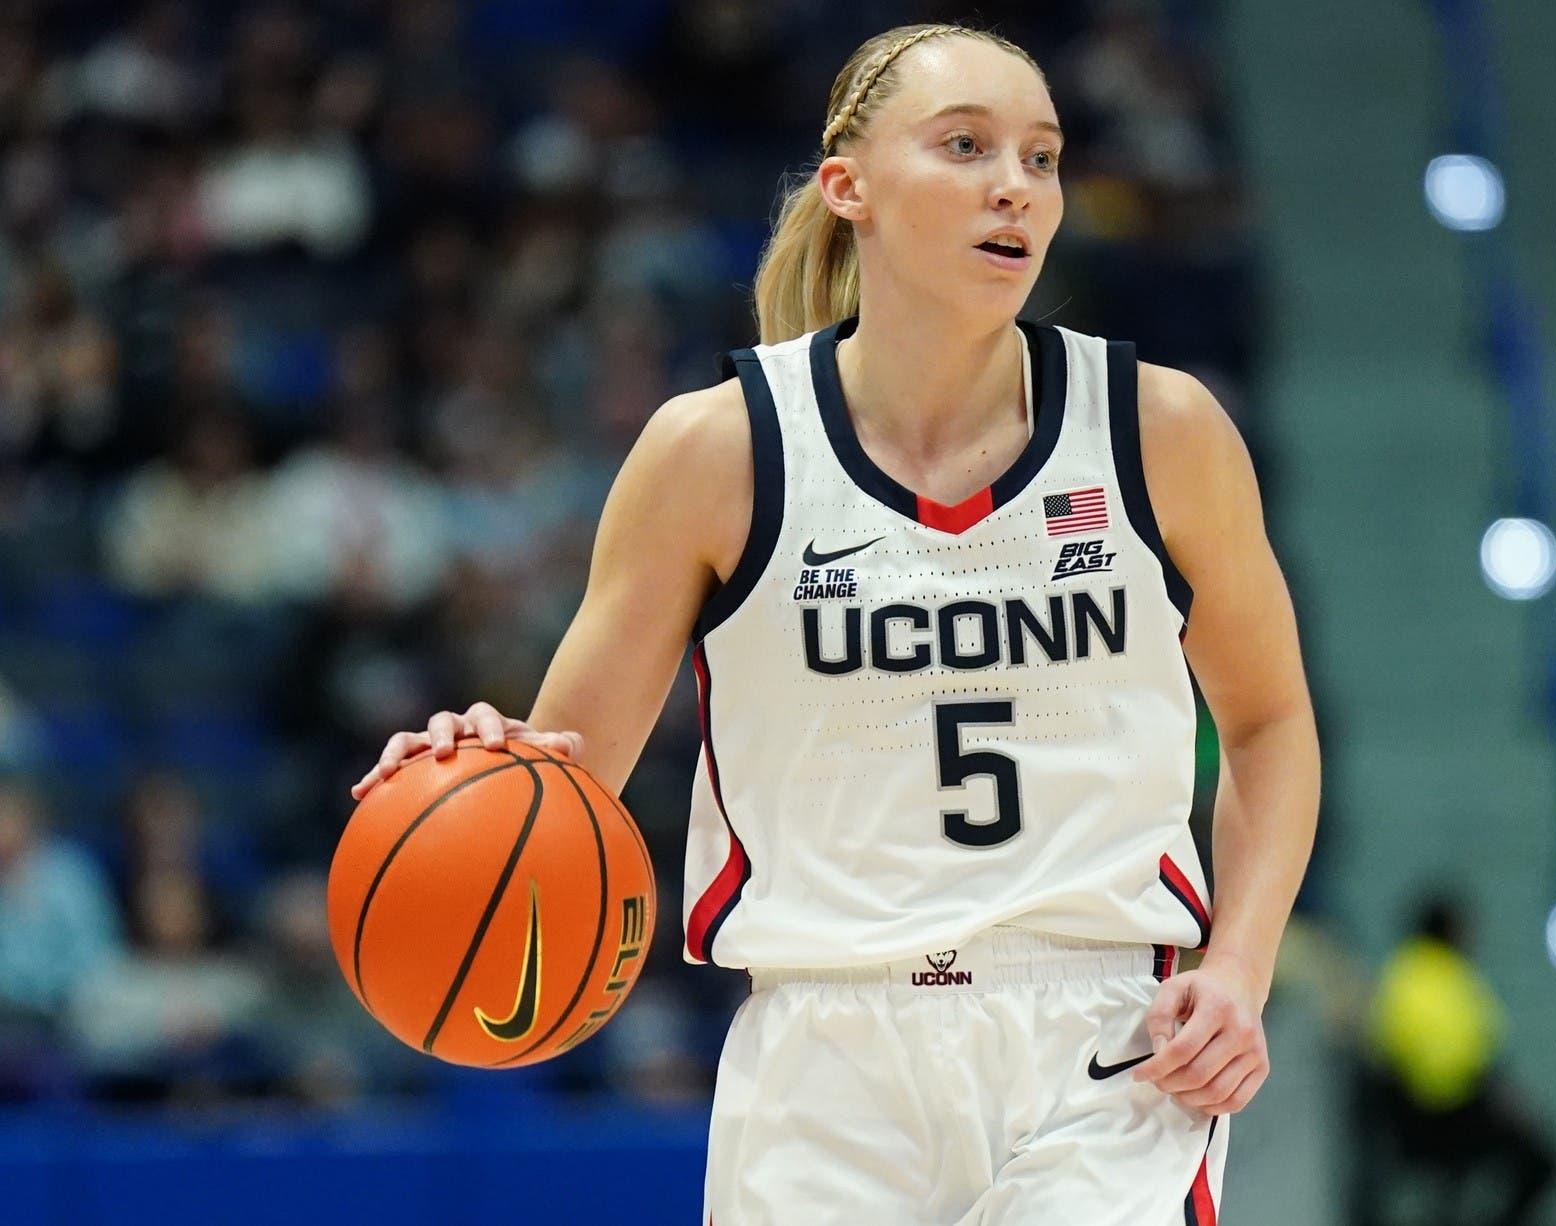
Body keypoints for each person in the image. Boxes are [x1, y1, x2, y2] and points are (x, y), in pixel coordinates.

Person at [349, 22, 1319, 1224]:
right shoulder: (717, 452)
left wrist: (1238, 966)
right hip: (822, 1057)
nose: (1014, 184)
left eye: (1042, 156)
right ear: (846, 187)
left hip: (1103, 1037)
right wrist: (475, 771)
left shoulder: (1157, 429)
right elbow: (567, 781)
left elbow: (1270, 721)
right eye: (964, 146)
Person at [1365, 897, 1556, 1225]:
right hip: (1448, 1112)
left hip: (1434, 1116)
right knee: (1546, 1163)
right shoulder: (1435, 976)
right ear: (1449, 930)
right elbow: (1453, 1057)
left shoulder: (1402, 972)